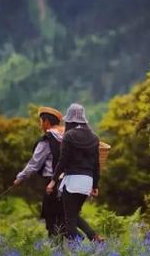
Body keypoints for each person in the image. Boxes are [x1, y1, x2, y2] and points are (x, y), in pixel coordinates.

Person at [13, 106, 98, 239]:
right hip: (73, 180)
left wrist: (20, 178)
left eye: (41, 122)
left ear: (46, 122)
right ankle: (89, 240)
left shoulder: (48, 139)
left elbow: (34, 164)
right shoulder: (71, 135)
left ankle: (73, 245)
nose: (41, 125)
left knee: (53, 220)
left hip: (54, 184)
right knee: (68, 217)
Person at [46, 103, 100, 241]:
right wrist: (95, 185)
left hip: (72, 182)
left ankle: (80, 247)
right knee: (73, 215)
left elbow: (62, 161)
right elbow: (96, 164)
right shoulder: (94, 137)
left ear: (70, 120)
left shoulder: (69, 136)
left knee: (68, 220)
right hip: (87, 182)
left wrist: (52, 182)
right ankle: (94, 237)